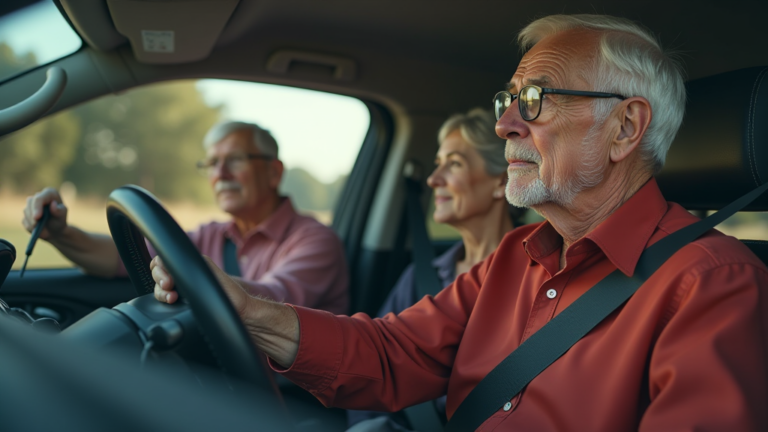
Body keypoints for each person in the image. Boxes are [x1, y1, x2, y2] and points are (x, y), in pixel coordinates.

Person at [151, 15, 768, 431]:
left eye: (535, 100)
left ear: (625, 129)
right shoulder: (516, 253)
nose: (505, 126)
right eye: (509, 101)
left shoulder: (713, 284)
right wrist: (246, 309)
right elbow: (391, 355)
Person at [22, 121, 348, 314]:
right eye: (211, 163)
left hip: (288, 405)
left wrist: (188, 274)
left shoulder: (316, 240)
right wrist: (61, 233)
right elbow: (124, 258)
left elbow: (275, 303)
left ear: (274, 172)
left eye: (235, 160)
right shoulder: (211, 235)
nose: (220, 174)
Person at [347, 108, 524, 431]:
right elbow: (373, 371)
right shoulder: (418, 278)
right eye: (437, 163)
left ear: (502, 181)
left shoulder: (535, 280)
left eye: (454, 164)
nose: (433, 180)